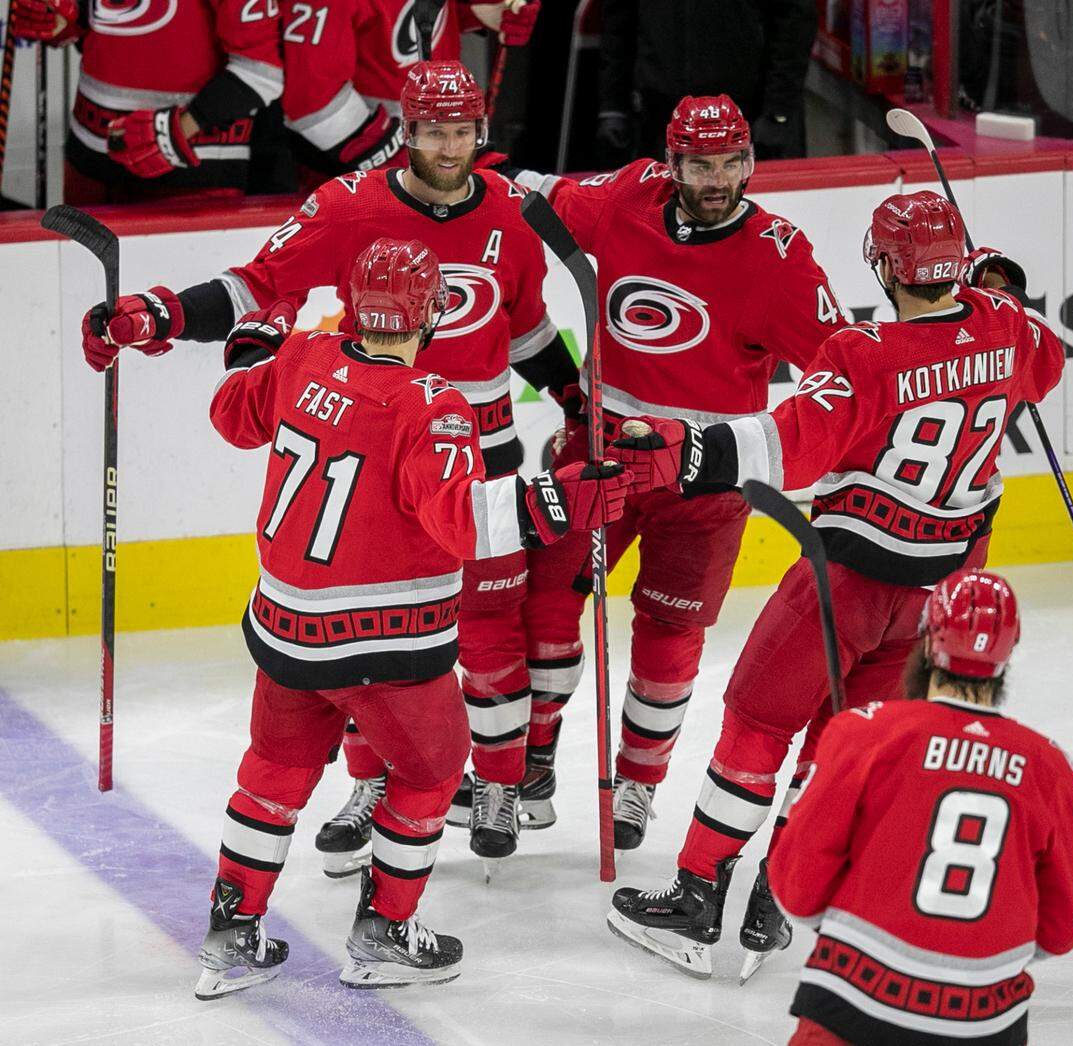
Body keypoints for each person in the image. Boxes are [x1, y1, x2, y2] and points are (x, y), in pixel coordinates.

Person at [79, 59, 582, 873]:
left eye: (461, 130)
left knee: (489, 632)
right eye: (432, 131)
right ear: (407, 132)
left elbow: (522, 326)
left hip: (482, 450)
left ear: (479, 132)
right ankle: (372, 783)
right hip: (377, 449)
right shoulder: (351, 207)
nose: (448, 146)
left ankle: (495, 782)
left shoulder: (512, 217)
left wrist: (572, 395)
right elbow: (255, 286)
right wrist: (160, 315)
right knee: (368, 644)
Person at [604, 191, 1067, 979]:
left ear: (885, 266)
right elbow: (1046, 361)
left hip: (844, 582)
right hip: (938, 596)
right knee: (837, 744)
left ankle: (694, 899)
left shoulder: (864, 349)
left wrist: (684, 449)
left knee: (757, 725)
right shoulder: (1007, 326)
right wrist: (992, 291)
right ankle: (773, 908)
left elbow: (788, 444)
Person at [197, 236, 630, 997]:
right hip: (383, 644)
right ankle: (386, 931)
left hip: (284, 631)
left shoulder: (302, 357)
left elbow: (233, 415)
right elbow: (462, 523)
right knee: (431, 772)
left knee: (272, 774)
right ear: (433, 314)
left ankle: (231, 933)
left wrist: (255, 339)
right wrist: (560, 499)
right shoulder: (434, 405)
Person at [512, 94, 843, 848]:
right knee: (546, 603)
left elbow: (845, 369)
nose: (719, 178)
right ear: (673, 163)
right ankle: (530, 760)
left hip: (704, 482)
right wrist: (467, 164)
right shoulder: (628, 195)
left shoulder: (781, 257)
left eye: (732, 161)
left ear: (750, 161)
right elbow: (536, 193)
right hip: (597, 457)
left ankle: (636, 784)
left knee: (670, 632)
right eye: (701, 163)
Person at [771, 569, 1073, 1045]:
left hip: (852, 1005)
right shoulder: (1052, 768)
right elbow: (1061, 930)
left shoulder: (863, 734)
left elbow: (796, 889)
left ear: (925, 642)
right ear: (1007, 656)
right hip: (986, 1021)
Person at [7, 0, 284, 203]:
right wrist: (65, 18)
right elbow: (110, 20)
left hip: (190, 178)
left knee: (181, 282)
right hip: (89, 161)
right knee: (76, 281)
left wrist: (183, 127)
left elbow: (262, 70)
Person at [280, 0, 540, 187]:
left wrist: (472, 12)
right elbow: (312, 101)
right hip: (355, 181)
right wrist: (404, 156)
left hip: (428, 158)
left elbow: (395, 24)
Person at [595, 0, 817, 166]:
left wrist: (778, 112)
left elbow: (795, 22)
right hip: (662, 116)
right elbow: (618, 21)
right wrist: (613, 105)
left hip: (749, 117)